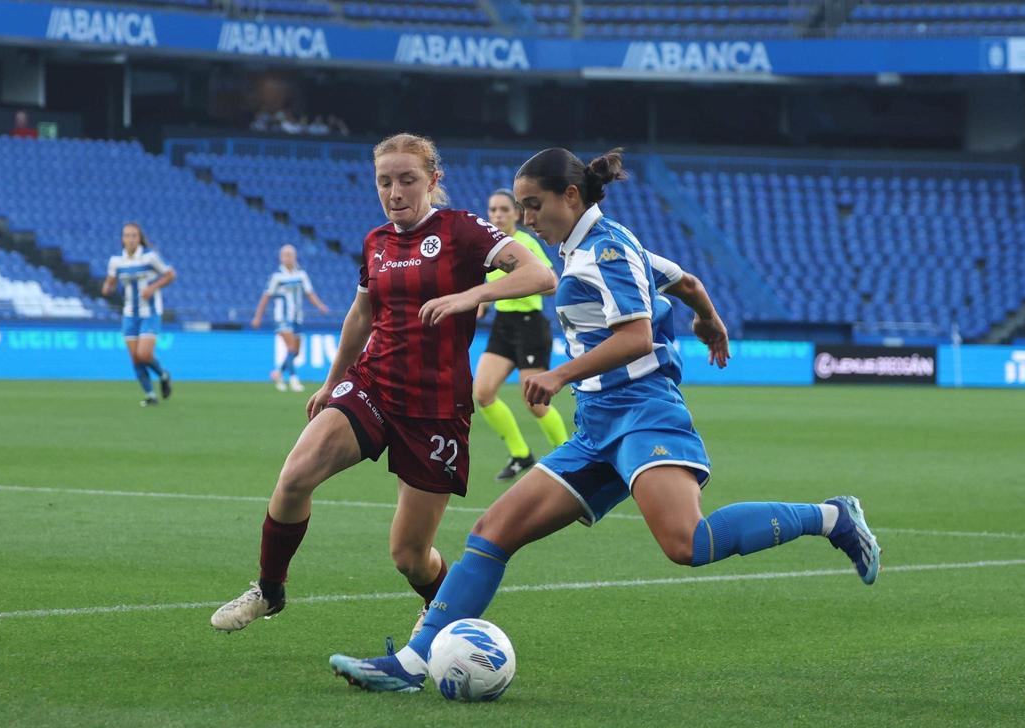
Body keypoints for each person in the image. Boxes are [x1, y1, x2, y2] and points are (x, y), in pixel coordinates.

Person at [327, 148, 882, 692]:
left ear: (570, 196)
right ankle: (412, 662)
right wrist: (709, 320)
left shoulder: (604, 252)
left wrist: (560, 374)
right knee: (492, 533)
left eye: (533, 205)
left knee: (688, 543)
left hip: (643, 413)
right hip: (597, 426)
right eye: (520, 207)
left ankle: (831, 517)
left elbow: (637, 337)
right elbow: (684, 281)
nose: (526, 219)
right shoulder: (592, 246)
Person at [210, 133, 556, 635]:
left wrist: (469, 297)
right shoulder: (377, 241)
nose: (395, 192)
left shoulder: (462, 231)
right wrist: (332, 383)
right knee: (294, 476)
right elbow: (360, 315)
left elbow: (542, 275)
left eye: (407, 180)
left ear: (433, 181)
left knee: (410, 556)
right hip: (372, 385)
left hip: (435, 406)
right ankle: (269, 589)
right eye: (385, 181)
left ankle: (444, 612)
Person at [474, 188, 568, 480]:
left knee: (535, 402)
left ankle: (567, 456)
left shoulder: (525, 243)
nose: (497, 215)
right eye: (492, 210)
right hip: (503, 325)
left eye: (504, 210)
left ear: (517, 213)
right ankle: (520, 453)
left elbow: (552, 283)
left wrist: (516, 284)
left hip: (530, 325)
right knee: (483, 393)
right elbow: (492, 286)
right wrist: (482, 304)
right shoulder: (488, 247)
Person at [101, 222, 175, 407]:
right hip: (130, 314)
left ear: (139, 238)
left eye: (134, 235)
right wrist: (107, 287)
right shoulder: (116, 262)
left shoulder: (150, 258)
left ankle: (163, 375)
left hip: (149, 312)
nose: (131, 239)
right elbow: (110, 282)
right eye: (127, 235)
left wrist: (152, 287)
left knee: (144, 353)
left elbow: (170, 274)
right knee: (135, 357)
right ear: (122, 239)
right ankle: (150, 395)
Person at [251, 244, 330, 392]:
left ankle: (278, 373)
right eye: (285, 255)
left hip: (297, 318)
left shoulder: (301, 275)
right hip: (282, 317)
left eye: (290, 255)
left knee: (296, 352)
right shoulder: (277, 277)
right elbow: (265, 297)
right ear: (281, 258)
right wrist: (257, 317)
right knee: (291, 347)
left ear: (295, 257)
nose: (288, 257)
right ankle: (294, 380)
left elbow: (309, 293)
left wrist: (320, 306)